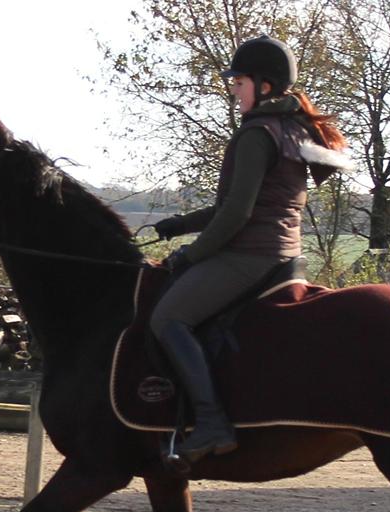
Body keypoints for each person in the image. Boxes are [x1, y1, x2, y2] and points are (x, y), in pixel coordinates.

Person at [149, 35, 350, 463]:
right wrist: (180, 225)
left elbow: (236, 215)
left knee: (168, 316)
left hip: (250, 255)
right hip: (283, 253)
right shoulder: (293, 129)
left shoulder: (258, 134)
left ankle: (210, 422)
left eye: (239, 81)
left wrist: (191, 254)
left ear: (264, 85)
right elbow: (240, 203)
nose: (233, 89)